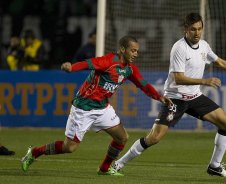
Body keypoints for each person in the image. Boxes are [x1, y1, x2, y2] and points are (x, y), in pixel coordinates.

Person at [113, 13, 226, 177]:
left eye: (199, 29)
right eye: (193, 29)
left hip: (194, 97)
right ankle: (119, 164)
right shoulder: (179, 48)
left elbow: (219, 61)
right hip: (175, 98)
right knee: (154, 137)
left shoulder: (204, 45)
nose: (197, 33)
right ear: (185, 29)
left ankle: (214, 165)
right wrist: (205, 81)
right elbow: (179, 78)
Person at [21, 35, 173, 176]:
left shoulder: (129, 69)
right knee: (70, 148)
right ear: (122, 49)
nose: (135, 54)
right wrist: (71, 67)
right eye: (133, 50)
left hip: (102, 108)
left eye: (137, 51)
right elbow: (88, 63)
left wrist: (159, 97)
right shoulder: (108, 61)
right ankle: (34, 152)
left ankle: (104, 169)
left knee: (122, 138)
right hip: (83, 108)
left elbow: (143, 85)